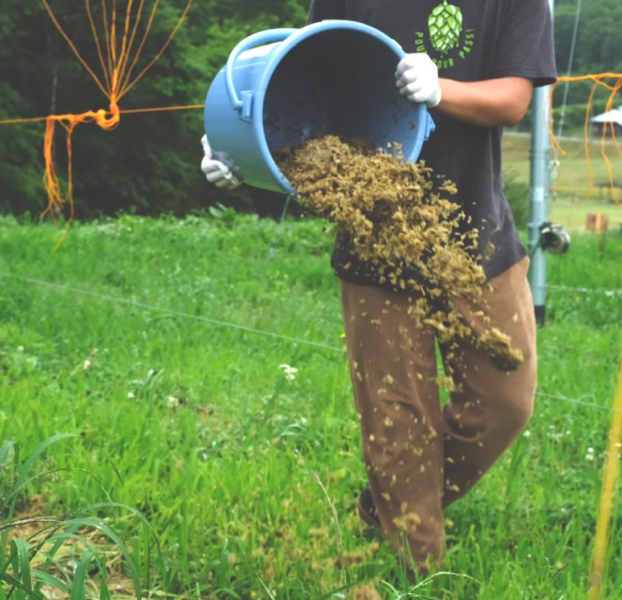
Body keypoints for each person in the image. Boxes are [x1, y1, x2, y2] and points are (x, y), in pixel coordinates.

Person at [201, 0, 556, 572]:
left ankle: (388, 503)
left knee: (505, 400)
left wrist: (444, 90)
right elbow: (296, 76)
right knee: (398, 427)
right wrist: (235, 144)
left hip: (474, 236)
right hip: (375, 241)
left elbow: (514, 98)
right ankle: (418, 572)